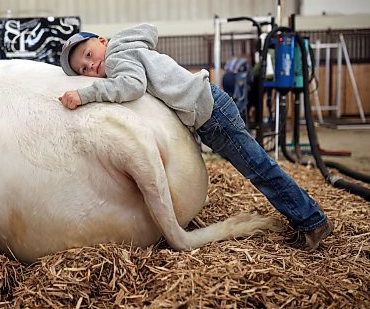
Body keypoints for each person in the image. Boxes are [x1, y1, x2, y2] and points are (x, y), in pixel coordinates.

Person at [58, 23, 333, 251]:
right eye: (84, 68)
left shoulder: (119, 58)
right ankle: (308, 217)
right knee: (256, 166)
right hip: (210, 107)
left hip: (212, 114)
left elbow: (131, 87)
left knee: (258, 167)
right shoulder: (130, 48)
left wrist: (85, 93)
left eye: (89, 54)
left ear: (102, 41)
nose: (91, 66)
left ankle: (312, 221)